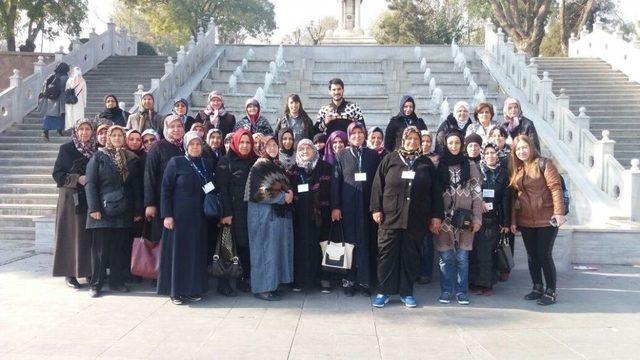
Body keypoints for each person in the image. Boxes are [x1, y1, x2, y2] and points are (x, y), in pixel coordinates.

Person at [370, 126, 444, 308]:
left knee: (410, 255)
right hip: (390, 216)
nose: (412, 142)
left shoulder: (425, 163)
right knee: (387, 255)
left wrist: (436, 216)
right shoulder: (390, 159)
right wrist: (376, 209)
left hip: (416, 218)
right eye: (409, 139)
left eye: (416, 139)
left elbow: (435, 192)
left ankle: (406, 292)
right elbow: (377, 185)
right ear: (403, 140)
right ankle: (384, 291)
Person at [85, 125, 143, 297]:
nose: (117, 138)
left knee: (119, 248)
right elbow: (91, 183)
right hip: (102, 211)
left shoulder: (130, 158)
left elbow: (136, 187)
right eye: (114, 135)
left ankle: (117, 282)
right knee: (100, 251)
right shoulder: (98, 157)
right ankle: (96, 284)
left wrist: (137, 209)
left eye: (120, 135)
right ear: (108, 137)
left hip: (124, 210)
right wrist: (94, 208)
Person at [509, 135, 566, 305]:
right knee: (532, 256)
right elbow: (515, 198)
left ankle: (551, 291)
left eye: (524, 147)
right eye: (518, 149)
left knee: (544, 254)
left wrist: (559, 212)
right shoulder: (518, 169)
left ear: (531, 147)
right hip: (526, 219)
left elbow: (555, 188)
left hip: (546, 218)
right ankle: (537, 287)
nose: (522, 151)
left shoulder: (544, 163)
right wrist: (513, 220)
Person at [157, 131, 213, 305]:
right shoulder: (176, 162)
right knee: (179, 254)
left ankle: (192, 289)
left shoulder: (206, 164)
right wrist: (167, 215)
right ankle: (176, 292)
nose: (195, 147)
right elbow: (165, 189)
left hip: (198, 218)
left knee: (195, 254)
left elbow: (210, 186)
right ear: (186, 146)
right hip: (179, 218)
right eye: (192, 144)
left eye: (198, 144)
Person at [331, 122, 380, 296]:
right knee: (349, 243)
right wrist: (336, 206)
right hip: (348, 207)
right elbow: (335, 182)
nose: (357, 136)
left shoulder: (372, 155)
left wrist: (376, 207)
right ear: (349, 136)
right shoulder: (341, 155)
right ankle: (349, 281)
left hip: (367, 207)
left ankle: (365, 282)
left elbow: (378, 183)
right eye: (354, 133)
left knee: (366, 243)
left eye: (360, 133)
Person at [435, 131, 482, 305]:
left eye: (457, 143)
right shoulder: (439, 165)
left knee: (462, 257)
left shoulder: (470, 165)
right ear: (445, 145)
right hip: (444, 220)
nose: (454, 146)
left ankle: (462, 292)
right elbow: (434, 194)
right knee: (445, 257)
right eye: (450, 143)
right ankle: (446, 291)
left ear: (461, 144)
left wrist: (477, 218)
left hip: (465, 220)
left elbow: (477, 195)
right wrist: (435, 217)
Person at [245, 135, 294, 300]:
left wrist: (289, 193)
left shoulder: (275, 165)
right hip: (261, 215)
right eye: (269, 145)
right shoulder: (259, 166)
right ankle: (262, 289)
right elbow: (257, 192)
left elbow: (284, 185)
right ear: (261, 147)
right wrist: (283, 197)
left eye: (275, 145)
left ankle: (271, 285)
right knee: (263, 250)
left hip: (274, 214)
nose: (273, 148)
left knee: (273, 251)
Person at [51, 118, 96, 289]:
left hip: (90, 198)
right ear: (76, 131)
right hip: (71, 198)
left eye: (88, 129)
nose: (84, 132)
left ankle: (89, 271)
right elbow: (57, 174)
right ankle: (69, 273)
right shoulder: (66, 149)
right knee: (70, 235)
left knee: (88, 236)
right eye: (81, 129)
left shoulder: (96, 149)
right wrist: (77, 179)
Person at [216, 129, 257, 295]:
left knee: (245, 246)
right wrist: (226, 213)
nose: (245, 146)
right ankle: (223, 283)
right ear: (235, 143)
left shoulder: (255, 161)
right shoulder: (225, 162)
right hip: (231, 213)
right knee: (227, 247)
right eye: (241, 142)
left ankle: (243, 279)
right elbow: (222, 189)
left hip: (250, 211)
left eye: (248, 142)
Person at [288, 139, 332, 292]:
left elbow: (331, 191)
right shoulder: (293, 170)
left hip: (321, 215)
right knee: (301, 248)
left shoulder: (325, 167)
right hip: (300, 216)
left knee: (321, 246)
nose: (305, 152)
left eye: (308, 148)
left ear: (314, 150)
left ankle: (323, 279)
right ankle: (301, 280)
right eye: (301, 149)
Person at [469, 143, 511, 296]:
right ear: (483, 155)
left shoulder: (503, 173)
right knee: (475, 252)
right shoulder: (477, 170)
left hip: (494, 220)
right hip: (477, 217)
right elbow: (470, 189)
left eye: (493, 153)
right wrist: (479, 201)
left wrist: (506, 222)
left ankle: (487, 284)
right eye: (487, 153)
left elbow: (507, 199)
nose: (490, 156)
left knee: (488, 253)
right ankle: (474, 283)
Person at [144, 115, 185, 244]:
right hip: (162, 202)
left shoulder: (186, 146)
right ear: (165, 129)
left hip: (182, 203)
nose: (176, 130)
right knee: (164, 240)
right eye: (172, 127)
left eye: (179, 126)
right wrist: (150, 203)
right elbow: (149, 175)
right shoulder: (158, 147)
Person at [417, 130, 439, 285]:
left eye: (427, 141)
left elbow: (436, 189)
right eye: (422, 141)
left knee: (426, 242)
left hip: (426, 207)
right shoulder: (409, 158)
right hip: (411, 208)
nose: (425, 144)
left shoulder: (432, 161)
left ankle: (425, 272)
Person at [40, 62, 69, 141]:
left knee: (50, 116)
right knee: (62, 115)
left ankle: (46, 131)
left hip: (50, 99)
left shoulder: (52, 76)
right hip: (61, 100)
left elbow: (44, 86)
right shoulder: (65, 78)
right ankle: (60, 130)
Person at [64, 67, 87, 131]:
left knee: (69, 113)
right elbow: (84, 93)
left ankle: (70, 126)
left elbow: (66, 90)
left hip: (69, 99)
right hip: (79, 100)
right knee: (78, 114)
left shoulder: (69, 80)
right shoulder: (82, 81)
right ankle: (78, 127)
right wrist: (84, 103)